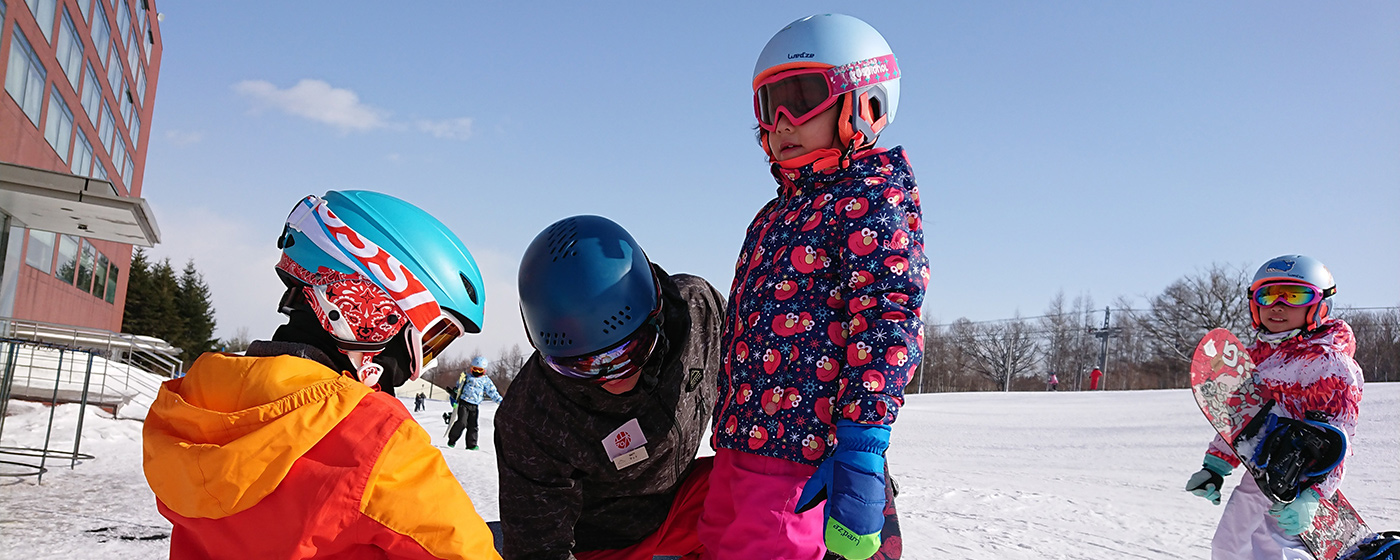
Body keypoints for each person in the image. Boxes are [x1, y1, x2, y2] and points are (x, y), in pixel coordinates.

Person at [142, 191, 500, 560]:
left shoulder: (191, 405)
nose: (414, 369)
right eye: (428, 340)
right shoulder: (375, 437)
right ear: (370, 310)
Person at [698, 14, 927, 560]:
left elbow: (886, 321)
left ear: (864, 105)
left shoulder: (870, 201)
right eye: (767, 104)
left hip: (799, 452)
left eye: (799, 97)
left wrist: (862, 448)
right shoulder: (774, 215)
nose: (779, 121)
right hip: (741, 440)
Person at [494, 215, 724, 560]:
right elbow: (539, 549)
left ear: (656, 311)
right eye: (582, 366)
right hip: (600, 543)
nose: (612, 377)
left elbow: (756, 383)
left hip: (681, 508)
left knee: (760, 487)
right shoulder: (531, 417)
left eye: (628, 352)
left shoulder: (697, 311)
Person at [1184, 254, 1364, 560]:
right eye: (1268, 296)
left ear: (1320, 305)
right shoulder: (1252, 359)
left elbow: (1339, 437)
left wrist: (1314, 497)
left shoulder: (1330, 362)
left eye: (1294, 296)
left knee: (1279, 552)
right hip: (1260, 475)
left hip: (1300, 480)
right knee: (1227, 548)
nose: (1278, 305)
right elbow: (1243, 420)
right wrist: (1216, 467)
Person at [447, 356, 503, 449]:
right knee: (462, 422)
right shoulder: (466, 377)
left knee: (473, 425)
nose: (477, 372)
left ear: (484, 371)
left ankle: (471, 444)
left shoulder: (485, 381)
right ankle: (452, 439)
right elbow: (458, 389)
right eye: (475, 369)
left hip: (475, 405)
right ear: (471, 368)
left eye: (479, 370)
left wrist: (500, 401)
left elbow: (492, 391)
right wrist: (454, 398)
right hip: (464, 403)